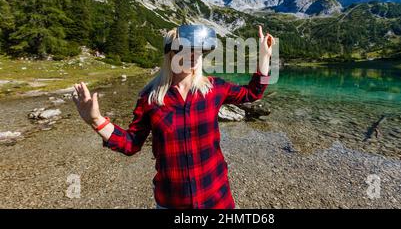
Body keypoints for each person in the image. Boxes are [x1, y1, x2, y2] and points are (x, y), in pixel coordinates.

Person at [72, 24, 274, 209]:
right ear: (170, 53)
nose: (193, 55)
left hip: (217, 198)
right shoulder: (149, 98)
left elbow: (252, 92)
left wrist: (265, 57)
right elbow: (131, 144)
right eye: (185, 49)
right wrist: (96, 120)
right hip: (172, 202)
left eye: (198, 50)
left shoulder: (213, 88)